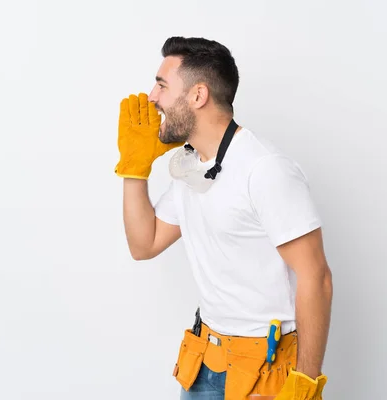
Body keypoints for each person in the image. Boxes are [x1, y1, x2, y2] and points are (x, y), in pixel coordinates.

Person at [115, 36, 333, 400]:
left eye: (162, 85)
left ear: (198, 95)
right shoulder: (193, 167)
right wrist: (134, 170)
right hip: (204, 362)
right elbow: (144, 244)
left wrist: (303, 386)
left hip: (261, 373)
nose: (152, 97)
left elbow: (317, 277)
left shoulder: (265, 170)